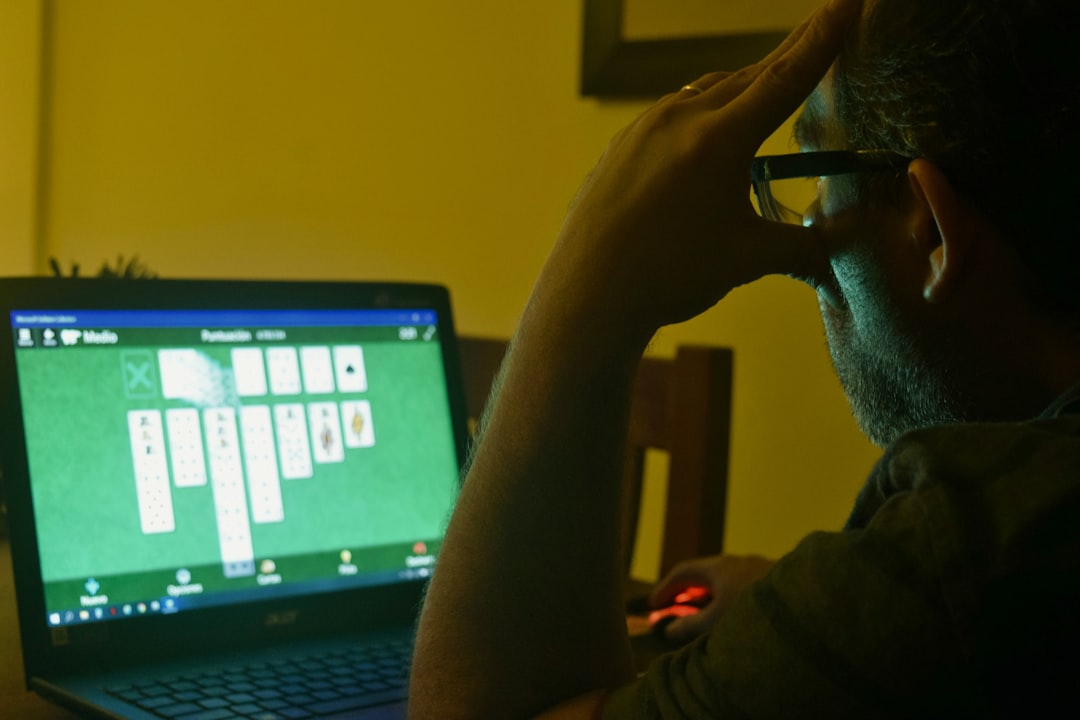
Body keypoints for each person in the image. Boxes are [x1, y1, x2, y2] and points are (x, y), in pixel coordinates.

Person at [408, 0, 1080, 716]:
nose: (809, 223)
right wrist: (813, 607)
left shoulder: (960, 552)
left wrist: (592, 277)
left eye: (821, 174)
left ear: (929, 232)